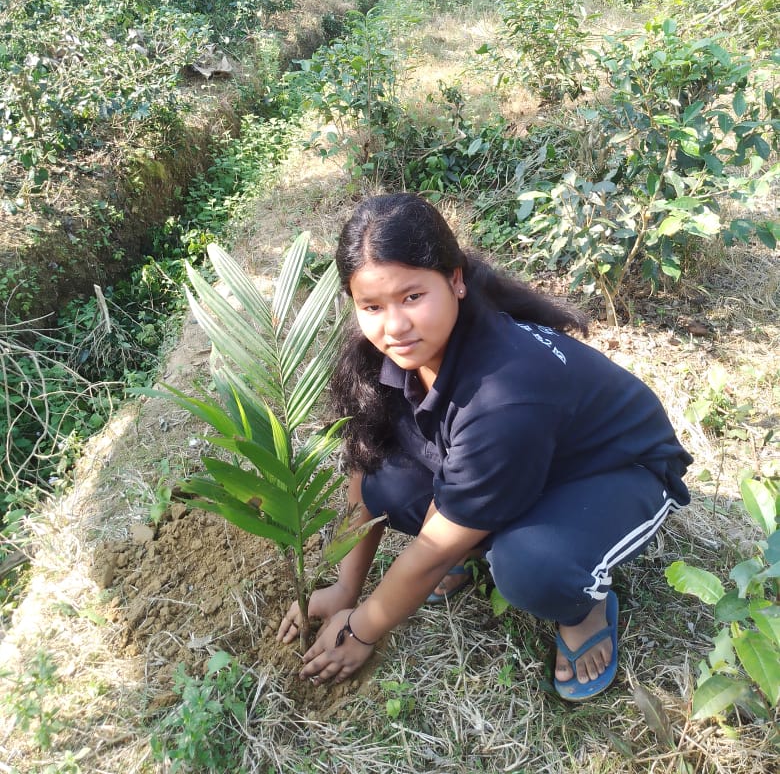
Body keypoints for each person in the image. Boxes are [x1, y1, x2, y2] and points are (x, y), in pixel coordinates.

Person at [277, 193, 692, 700]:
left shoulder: (505, 393)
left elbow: (431, 550)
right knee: (384, 479)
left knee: (529, 567)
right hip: (520, 458)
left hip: (615, 471)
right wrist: (345, 586)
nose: (394, 326)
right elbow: (363, 471)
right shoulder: (391, 352)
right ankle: (484, 527)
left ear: (456, 279)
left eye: (412, 297)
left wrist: (362, 628)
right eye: (372, 306)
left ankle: (584, 609)